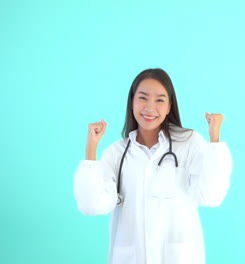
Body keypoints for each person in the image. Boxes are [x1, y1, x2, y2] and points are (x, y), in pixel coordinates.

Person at [73, 68, 233, 264]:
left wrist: (214, 140)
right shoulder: (116, 153)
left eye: (159, 100)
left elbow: (211, 197)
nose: (150, 108)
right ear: (132, 101)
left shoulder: (189, 143)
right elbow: (92, 206)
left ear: (169, 107)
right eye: (142, 98)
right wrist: (91, 150)